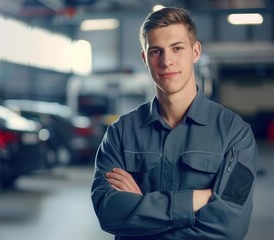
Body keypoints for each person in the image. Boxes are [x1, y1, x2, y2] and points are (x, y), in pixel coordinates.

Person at [91, 7, 258, 240]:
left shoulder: (235, 133)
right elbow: (109, 213)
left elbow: (229, 228)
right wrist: (192, 201)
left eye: (177, 48)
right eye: (156, 51)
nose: (167, 61)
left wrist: (141, 209)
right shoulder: (120, 133)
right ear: (145, 59)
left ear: (195, 52)